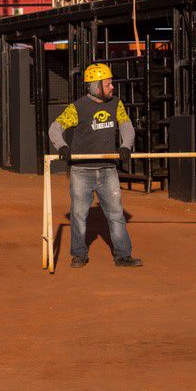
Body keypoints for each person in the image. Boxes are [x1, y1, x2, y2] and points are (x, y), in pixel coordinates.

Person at [48, 63, 143, 268]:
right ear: (95, 86)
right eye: (108, 84)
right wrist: (62, 147)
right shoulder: (77, 108)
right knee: (79, 215)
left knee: (116, 214)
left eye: (111, 84)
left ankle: (123, 255)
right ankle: (79, 255)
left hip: (108, 169)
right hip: (82, 171)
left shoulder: (116, 104)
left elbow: (126, 126)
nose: (112, 87)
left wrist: (126, 146)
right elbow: (55, 129)